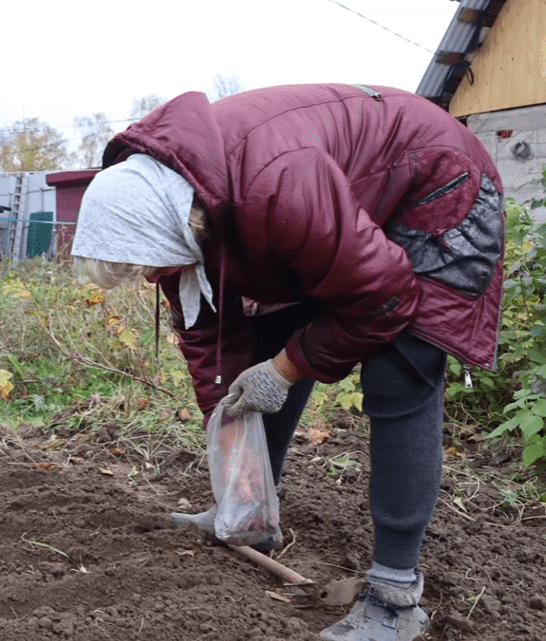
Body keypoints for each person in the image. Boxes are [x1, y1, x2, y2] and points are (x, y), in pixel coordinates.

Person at [71, 84, 504, 641]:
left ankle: (395, 596)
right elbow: (211, 342)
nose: (156, 278)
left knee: (399, 374)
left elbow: (385, 297)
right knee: (262, 345)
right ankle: (251, 517)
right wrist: (229, 422)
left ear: (182, 225)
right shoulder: (175, 209)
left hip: (434, 186)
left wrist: (287, 369)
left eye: (156, 267)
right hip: (329, 217)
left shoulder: (276, 184)